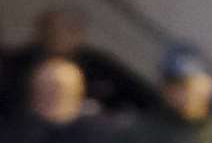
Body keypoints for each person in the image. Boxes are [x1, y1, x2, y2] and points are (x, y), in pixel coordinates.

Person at [0, 8, 159, 117]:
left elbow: (143, 97)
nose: (61, 36)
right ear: (40, 32)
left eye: (71, 30)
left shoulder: (99, 65)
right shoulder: (18, 62)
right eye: (54, 30)